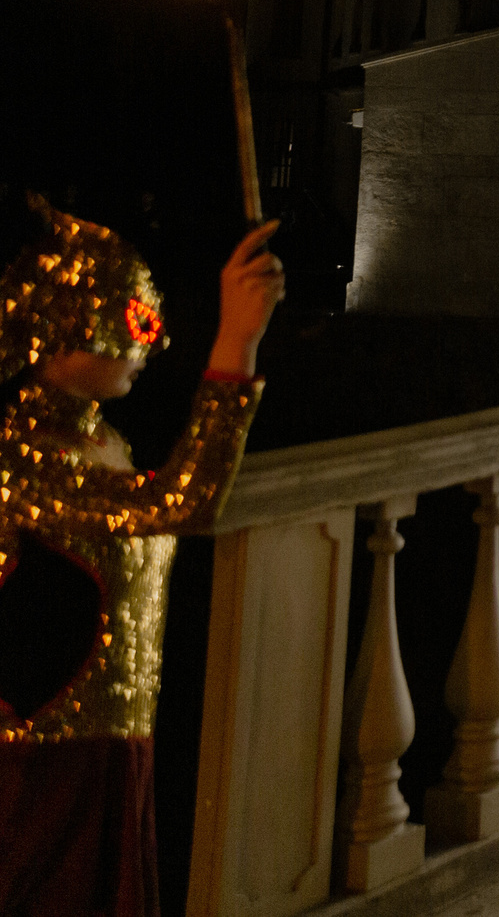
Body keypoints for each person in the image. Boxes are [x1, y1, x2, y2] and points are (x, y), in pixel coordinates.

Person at [0, 201, 285, 917]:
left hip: (113, 744)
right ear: (65, 324)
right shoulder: (21, 459)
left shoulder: (103, 445)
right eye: (136, 322)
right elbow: (179, 504)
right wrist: (237, 341)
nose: (152, 344)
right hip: (39, 764)